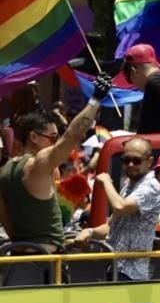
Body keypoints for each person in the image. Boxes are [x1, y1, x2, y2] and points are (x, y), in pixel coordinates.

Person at [0, 75, 111, 252]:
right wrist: (95, 99)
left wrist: (20, 243)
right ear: (33, 137)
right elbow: (71, 136)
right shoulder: (38, 162)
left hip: (18, 256)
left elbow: (4, 216)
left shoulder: (5, 170)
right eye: (52, 137)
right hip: (47, 262)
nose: (56, 142)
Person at [75, 137, 160, 281]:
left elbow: (120, 207)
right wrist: (89, 232)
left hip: (131, 272)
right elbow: (110, 226)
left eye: (137, 160)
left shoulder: (151, 186)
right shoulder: (129, 185)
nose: (130, 164)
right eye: (125, 160)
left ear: (149, 161)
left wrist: (105, 181)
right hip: (114, 266)